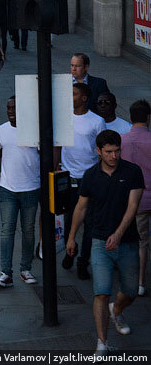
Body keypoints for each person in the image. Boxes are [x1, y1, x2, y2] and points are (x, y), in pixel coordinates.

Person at [66, 129, 144, 356]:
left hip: (127, 242)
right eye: (109, 152)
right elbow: (80, 208)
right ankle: (102, 342)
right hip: (99, 242)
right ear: (98, 151)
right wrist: (72, 237)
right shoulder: (90, 176)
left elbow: (133, 207)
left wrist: (118, 234)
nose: (114, 156)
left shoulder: (132, 172)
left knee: (130, 291)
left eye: (117, 151)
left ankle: (117, 309)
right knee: (101, 292)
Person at [0, 96, 41, 287]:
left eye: (14, 108)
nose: (10, 111)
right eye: (8, 108)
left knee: (28, 231)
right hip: (7, 189)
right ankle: (6, 273)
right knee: (7, 231)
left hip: (31, 189)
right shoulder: (0, 131)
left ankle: (25, 269)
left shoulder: (34, 131)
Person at [62, 82, 108, 280]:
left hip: (88, 179)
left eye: (73, 94)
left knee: (90, 224)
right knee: (67, 220)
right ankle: (70, 249)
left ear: (83, 98)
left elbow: (101, 151)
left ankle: (83, 261)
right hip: (67, 177)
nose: (69, 97)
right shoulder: (63, 117)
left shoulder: (96, 121)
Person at [122, 100, 151, 297]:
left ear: (130, 118)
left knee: (140, 241)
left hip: (134, 198)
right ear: (149, 118)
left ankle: (139, 282)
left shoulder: (122, 141)